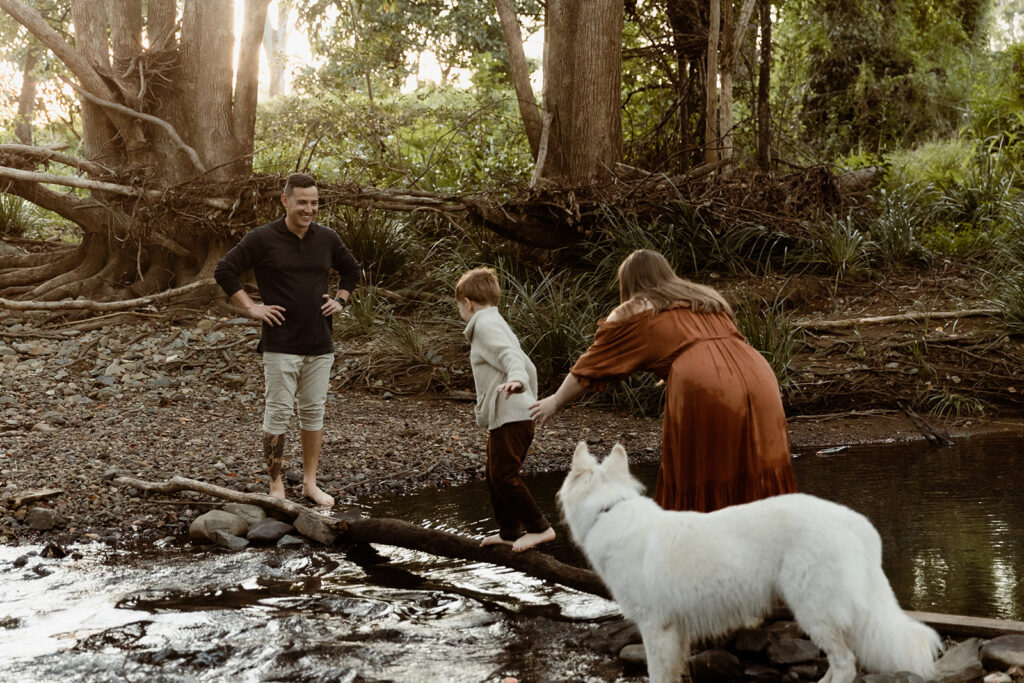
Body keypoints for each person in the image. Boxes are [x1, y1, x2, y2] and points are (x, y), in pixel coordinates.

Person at [530, 249, 796, 513]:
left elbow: (590, 366)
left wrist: (555, 401)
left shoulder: (634, 309)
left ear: (630, 282)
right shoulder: (704, 297)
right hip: (758, 374)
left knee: (706, 469)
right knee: (759, 462)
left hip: (704, 382)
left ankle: (703, 538)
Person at [214, 173, 360, 507]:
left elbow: (352, 270)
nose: (309, 209)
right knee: (278, 413)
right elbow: (225, 270)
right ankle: (276, 484)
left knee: (313, 413)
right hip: (280, 343)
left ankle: (310, 483)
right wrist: (251, 307)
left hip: (320, 343)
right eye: (302, 203)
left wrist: (340, 299)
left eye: (315, 203)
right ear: (286, 201)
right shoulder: (263, 238)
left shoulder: (327, 238)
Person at [456, 267, 556, 552]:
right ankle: (510, 531)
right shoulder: (496, 322)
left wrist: (517, 382)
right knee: (494, 473)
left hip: (513, 416)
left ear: (467, 303)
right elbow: (529, 364)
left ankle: (541, 528)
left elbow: (511, 358)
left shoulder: (485, 325)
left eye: (459, 305)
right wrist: (527, 390)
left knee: (503, 475)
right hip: (511, 415)